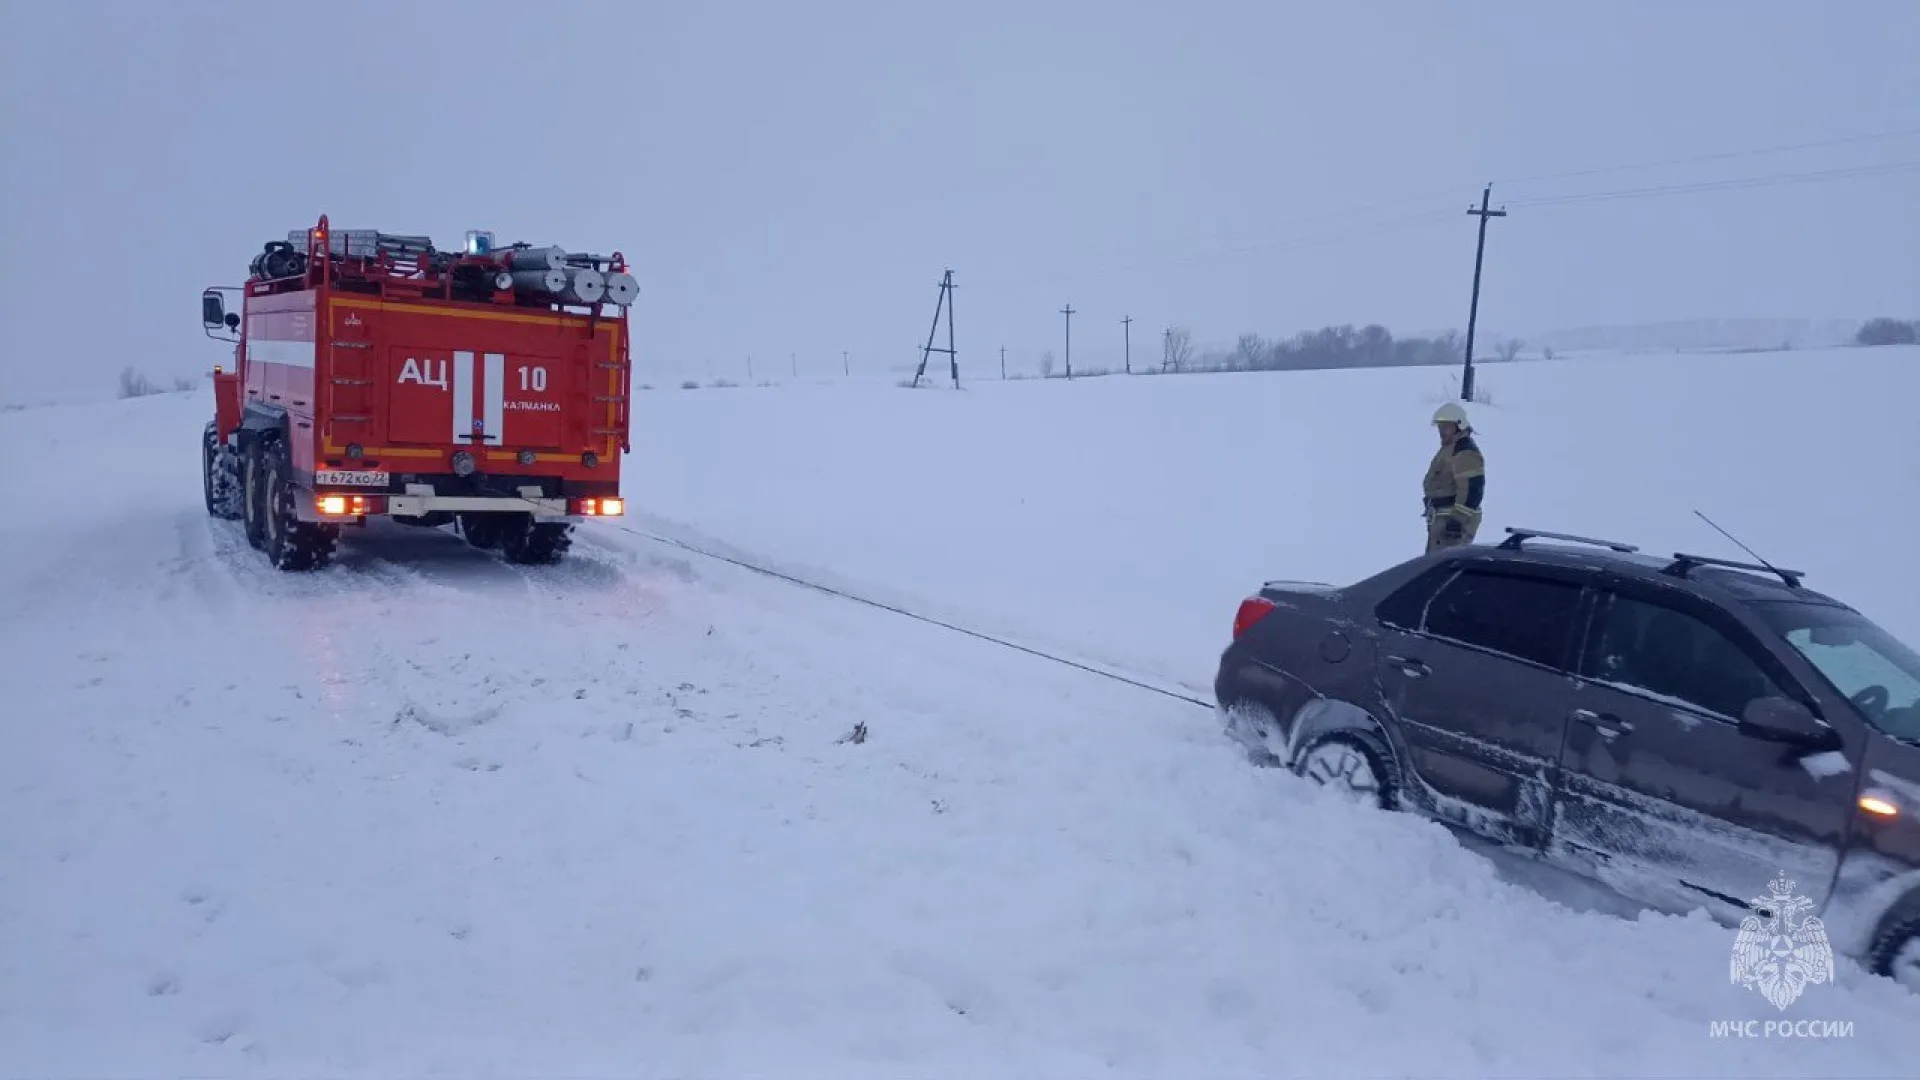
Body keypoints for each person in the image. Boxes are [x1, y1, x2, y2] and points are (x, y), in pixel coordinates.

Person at [1423, 401, 1485, 552]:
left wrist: (1457, 520)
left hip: (1453, 525)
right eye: (1440, 426)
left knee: (1441, 569)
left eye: (1446, 426)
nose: (1441, 430)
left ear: (1459, 426)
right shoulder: (1449, 447)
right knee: (1433, 568)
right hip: (1442, 521)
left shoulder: (1464, 451)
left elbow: (1472, 489)